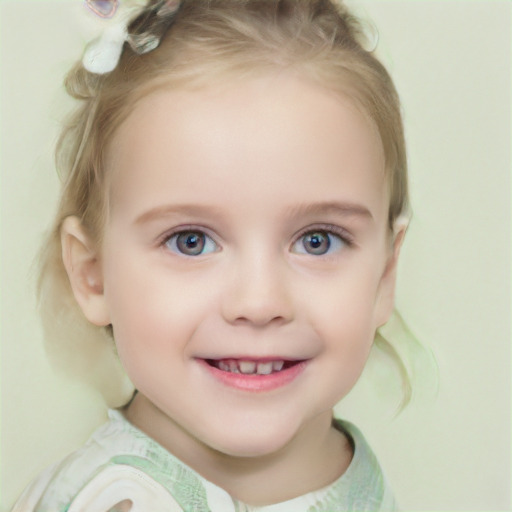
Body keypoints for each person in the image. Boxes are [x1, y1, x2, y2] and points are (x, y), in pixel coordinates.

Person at [12, 0, 411, 510]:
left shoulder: (364, 484)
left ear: (383, 276)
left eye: (318, 240)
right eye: (191, 241)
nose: (261, 300)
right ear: (94, 277)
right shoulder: (110, 500)